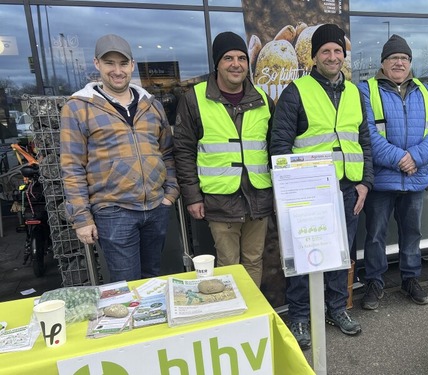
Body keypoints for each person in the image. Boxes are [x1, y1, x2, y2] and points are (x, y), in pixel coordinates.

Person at [270, 24, 373, 349]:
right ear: (314, 56)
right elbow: (279, 146)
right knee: (304, 257)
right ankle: (300, 317)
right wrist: (290, 195)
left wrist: (365, 183)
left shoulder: (356, 93)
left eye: (337, 51)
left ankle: (336, 309)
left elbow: (365, 142)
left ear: (344, 56)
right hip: (308, 194)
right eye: (325, 51)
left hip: (347, 191)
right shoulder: (296, 91)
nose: (332, 56)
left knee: (339, 256)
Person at [60, 34, 179, 282]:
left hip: (156, 207)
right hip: (114, 212)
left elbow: (167, 152)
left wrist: (170, 194)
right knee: (125, 287)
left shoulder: (151, 104)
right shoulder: (79, 107)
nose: (117, 70)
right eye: (109, 63)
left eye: (123, 64)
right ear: (97, 64)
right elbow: (72, 167)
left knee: (152, 280)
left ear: (132, 65)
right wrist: (81, 218)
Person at [173, 32, 275, 287]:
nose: (236, 63)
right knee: (228, 263)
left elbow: (274, 147)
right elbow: (184, 151)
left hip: (258, 197)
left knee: (254, 260)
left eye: (241, 57)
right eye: (228, 57)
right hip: (220, 200)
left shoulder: (263, 99)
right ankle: (232, 317)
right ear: (217, 63)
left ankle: (252, 316)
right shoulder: (194, 99)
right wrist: (193, 196)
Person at [357, 35, 428, 310]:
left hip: (415, 178)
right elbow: (368, 134)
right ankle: (374, 281)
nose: (399, 62)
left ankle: (411, 279)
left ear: (410, 63)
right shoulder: (366, 90)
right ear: (383, 63)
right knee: (375, 235)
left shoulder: (427, 91)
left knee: (412, 234)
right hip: (383, 180)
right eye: (393, 58)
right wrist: (400, 159)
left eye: (404, 58)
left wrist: (415, 158)